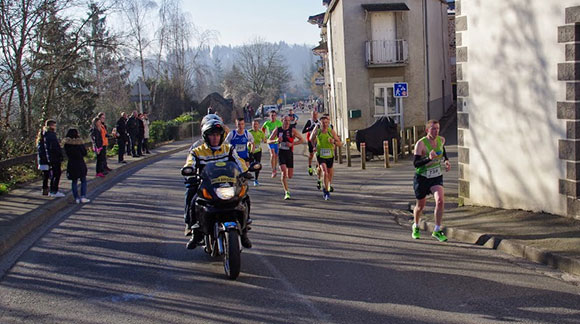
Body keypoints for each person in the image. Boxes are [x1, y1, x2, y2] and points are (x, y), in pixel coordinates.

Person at [183, 118, 251, 249]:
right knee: (192, 198)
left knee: (245, 196)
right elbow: (190, 162)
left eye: (218, 135)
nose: (215, 138)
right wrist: (189, 169)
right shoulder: (197, 151)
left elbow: (239, 161)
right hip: (208, 185)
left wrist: (246, 171)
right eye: (212, 135)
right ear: (206, 136)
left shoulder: (229, 149)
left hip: (227, 184)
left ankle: (244, 231)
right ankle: (194, 230)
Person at [412, 120, 451, 242]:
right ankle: (416, 226)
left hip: (436, 176)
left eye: (437, 128)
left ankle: (437, 230)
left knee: (440, 201)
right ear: (427, 130)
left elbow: (442, 150)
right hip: (422, 178)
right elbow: (416, 164)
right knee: (420, 206)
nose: (436, 131)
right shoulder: (421, 144)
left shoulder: (441, 140)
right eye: (433, 129)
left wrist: (446, 161)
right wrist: (428, 158)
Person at [268, 115, 305, 200]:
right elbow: (268, 140)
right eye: (285, 121)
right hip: (281, 152)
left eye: (288, 121)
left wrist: (292, 144)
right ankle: (286, 192)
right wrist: (276, 141)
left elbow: (302, 140)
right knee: (283, 172)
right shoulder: (278, 129)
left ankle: (286, 184)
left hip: (289, 153)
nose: (287, 122)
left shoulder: (292, 130)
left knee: (290, 175)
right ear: (282, 121)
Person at [310, 116, 341, 200]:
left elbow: (339, 143)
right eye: (323, 123)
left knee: (330, 173)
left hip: (330, 155)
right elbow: (311, 138)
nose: (325, 124)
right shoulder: (318, 131)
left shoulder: (331, 131)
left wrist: (333, 141)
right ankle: (326, 191)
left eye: (326, 123)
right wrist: (314, 146)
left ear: (328, 123)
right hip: (320, 154)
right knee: (325, 172)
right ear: (320, 123)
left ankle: (328, 185)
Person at [36, 119, 64, 197]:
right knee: (55, 174)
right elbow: (53, 147)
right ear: (51, 126)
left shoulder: (44, 134)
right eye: (54, 125)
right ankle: (53, 190)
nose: (55, 127)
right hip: (52, 158)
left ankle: (46, 189)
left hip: (46, 158)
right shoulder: (50, 135)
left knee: (47, 175)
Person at [63, 128, 90, 204]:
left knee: (74, 181)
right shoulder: (79, 143)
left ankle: (76, 198)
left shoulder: (67, 144)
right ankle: (83, 196)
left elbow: (65, 154)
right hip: (80, 163)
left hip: (71, 163)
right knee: (83, 180)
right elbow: (84, 153)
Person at [261, 110, 283, 178]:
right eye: (271, 115)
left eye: (274, 115)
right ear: (269, 116)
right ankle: (273, 170)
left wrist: (280, 139)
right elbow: (262, 130)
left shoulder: (279, 123)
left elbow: (281, 131)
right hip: (270, 141)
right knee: (272, 154)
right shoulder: (267, 123)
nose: (273, 117)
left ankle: (275, 168)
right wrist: (264, 137)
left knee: (276, 156)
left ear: (276, 116)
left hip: (277, 141)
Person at [301, 109, 320, 176]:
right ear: (311, 115)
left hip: (317, 140)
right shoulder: (309, 121)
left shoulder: (319, 122)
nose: (314, 116)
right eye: (313, 115)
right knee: (311, 154)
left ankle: (317, 167)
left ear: (317, 115)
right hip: (310, 139)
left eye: (315, 115)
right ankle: (309, 166)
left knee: (317, 154)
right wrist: (310, 128)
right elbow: (303, 131)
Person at [248, 120, 266, 186]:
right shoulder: (249, 132)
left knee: (257, 165)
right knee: (249, 166)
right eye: (254, 125)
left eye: (256, 124)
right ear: (252, 125)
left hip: (258, 151)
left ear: (258, 125)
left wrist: (274, 141)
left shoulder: (261, 132)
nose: (255, 126)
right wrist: (248, 143)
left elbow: (265, 140)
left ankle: (256, 180)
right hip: (250, 151)